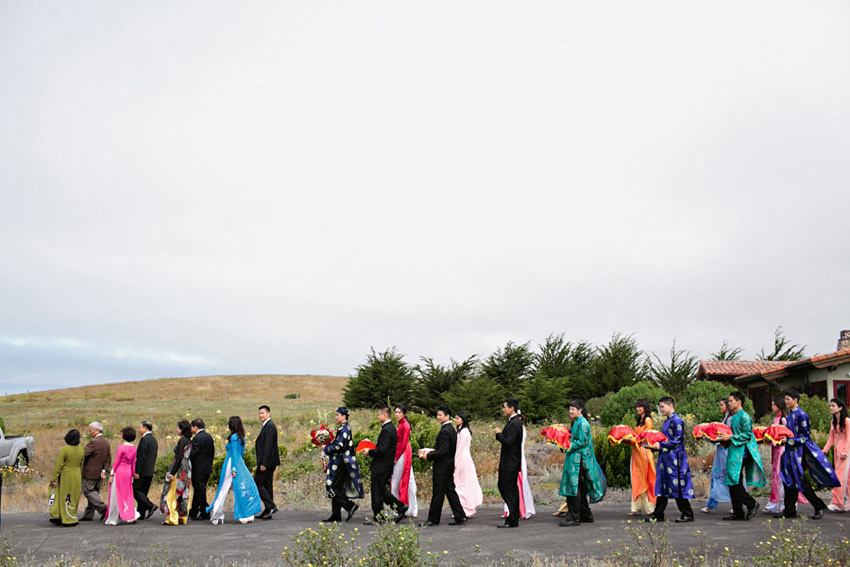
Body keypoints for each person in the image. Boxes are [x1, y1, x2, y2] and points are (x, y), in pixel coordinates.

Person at [778, 390, 840, 519]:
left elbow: (805, 437)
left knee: (799, 480)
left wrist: (789, 441)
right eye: (785, 399)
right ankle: (789, 510)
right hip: (790, 451)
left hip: (799, 452)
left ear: (795, 400)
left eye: (788, 399)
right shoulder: (790, 415)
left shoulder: (802, 415)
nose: (786, 401)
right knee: (788, 479)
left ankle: (819, 506)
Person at [717, 391, 765, 520]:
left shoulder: (745, 417)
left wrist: (730, 437)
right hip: (733, 450)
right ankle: (738, 512)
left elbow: (748, 435)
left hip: (741, 453)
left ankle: (752, 503)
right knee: (732, 481)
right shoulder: (733, 417)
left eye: (731, 400)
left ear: (739, 402)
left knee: (735, 481)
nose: (729, 403)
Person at [646, 397, 694, 523]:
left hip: (675, 459)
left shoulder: (676, 421)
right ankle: (658, 513)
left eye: (662, 407)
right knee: (663, 485)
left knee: (677, 485)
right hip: (666, 458)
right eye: (660, 407)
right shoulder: (667, 421)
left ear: (670, 406)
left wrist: (661, 446)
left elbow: (677, 440)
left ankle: (688, 513)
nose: (660, 409)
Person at [559, 399, 606, 527]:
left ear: (580, 410)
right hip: (576, 459)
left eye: (573, 409)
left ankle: (574, 517)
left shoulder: (583, 424)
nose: (570, 411)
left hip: (578, 461)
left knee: (574, 489)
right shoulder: (577, 423)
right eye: (569, 409)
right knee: (579, 489)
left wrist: (567, 445)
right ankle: (585, 515)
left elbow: (581, 442)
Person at [208, 416, 263, 525]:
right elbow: (240, 454)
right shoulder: (242, 437)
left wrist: (234, 469)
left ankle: (217, 515)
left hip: (230, 464)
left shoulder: (233, 438)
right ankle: (247, 513)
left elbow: (233, 454)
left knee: (223, 489)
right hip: (240, 464)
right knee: (240, 488)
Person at [360, 406, 408, 524]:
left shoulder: (387, 429)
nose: (378, 417)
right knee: (381, 490)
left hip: (381, 466)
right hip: (385, 465)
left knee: (376, 491)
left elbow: (382, 450)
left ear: (385, 415)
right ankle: (399, 506)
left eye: (379, 415)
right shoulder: (390, 428)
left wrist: (369, 452)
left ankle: (379, 517)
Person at [420, 406, 467, 527]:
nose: (438, 417)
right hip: (448, 465)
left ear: (447, 416)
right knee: (450, 491)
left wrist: (428, 456)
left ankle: (433, 519)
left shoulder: (446, 431)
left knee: (438, 493)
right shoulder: (450, 429)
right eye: (437, 415)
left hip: (442, 466)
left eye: (441, 415)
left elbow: (443, 451)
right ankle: (460, 516)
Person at [322, 407, 364, 522]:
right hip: (341, 461)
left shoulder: (345, 429)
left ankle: (349, 506)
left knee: (333, 487)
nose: (336, 417)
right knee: (337, 487)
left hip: (342, 462)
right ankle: (336, 514)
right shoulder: (342, 428)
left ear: (344, 416)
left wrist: (327, 447)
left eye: (337, 415)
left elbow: (340, 446)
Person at [494, 397, 522, 528]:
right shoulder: (513, 421)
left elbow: (508, 441)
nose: (503, 409)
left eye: (505, 407)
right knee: (506, 487)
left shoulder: (515, 423)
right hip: (509, 461)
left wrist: (499, 434)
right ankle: (513, 517)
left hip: (510, 462)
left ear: (512, 408)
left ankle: (513, 518)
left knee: (508, 489)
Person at [503, 409, 535, 521]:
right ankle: (511, 509)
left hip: (517, 458)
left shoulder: (518, 428)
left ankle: (521, 510)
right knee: (513, 485)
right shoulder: (518, 428)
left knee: (517, 484)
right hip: (517, 457)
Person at [701, 399, 732, 514]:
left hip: (726, 452)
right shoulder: (725, 418)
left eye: (722, 405)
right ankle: (711, 503)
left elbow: (727, 436)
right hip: (721, 451)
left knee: (729, 476)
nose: (720, 407)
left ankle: (739, 504)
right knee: (716, 475)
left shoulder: (730, 420)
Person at [49, 429, 85, 527]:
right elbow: (81, 464)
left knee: (64, 496)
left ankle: (65, 518)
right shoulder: (81, 450)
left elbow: (58, 465)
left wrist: (53, 478)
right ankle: (71, 516)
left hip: (66, 475)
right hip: (77, 474)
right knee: (73, 496)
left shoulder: (64, 450)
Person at [105, 426, 140, 525]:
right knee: (127, 494)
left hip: (120, 472)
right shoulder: (133, 448)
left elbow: (116, 463)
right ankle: (131, 514)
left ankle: (113, 518)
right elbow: (133, 463)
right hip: (128, 472)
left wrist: (111, 475)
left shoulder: (121, 448)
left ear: (124, 436)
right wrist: (133, 475)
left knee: (115, 494)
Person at [160, 420, 193, 526]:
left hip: (179, 470)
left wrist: (172, 472)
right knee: (183, 493)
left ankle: (172, 517)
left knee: (173, 493)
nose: (176, 429)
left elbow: (179, 458)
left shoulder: (182, 441)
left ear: (182, 429)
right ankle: (181, 516)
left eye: (178, 428)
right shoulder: (188, 440)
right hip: (187, 469)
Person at [80, 421, 112, 522]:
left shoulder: (94, 442)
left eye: (91, 430)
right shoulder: (106, 442)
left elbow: (83, 453)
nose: (90, 432)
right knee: (94, 493)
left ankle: (103, 508)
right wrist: (104, 469)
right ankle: (88, 515)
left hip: (90, 472)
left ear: (96, 430)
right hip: (100, 472)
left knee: (87, 490)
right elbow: (109, 457)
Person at [629, 398, 656, 516]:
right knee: (635, 478)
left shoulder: (648, 420)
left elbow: (648, 436)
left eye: (640, 406)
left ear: (645, 407)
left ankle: (650, 508)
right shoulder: (638, 420)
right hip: (636, 451)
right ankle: (636, 507)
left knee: (643, 478)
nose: (638, 409)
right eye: (637, 406)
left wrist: (634, 439)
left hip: (644, 452)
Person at [453, 411, 482, 518]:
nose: (455, 420)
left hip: (462, 459)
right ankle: (463, 508)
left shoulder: (464, 432)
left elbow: (460, 449)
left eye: (457, 418)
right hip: (463, 458)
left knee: (462, 484)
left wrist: (455, 462)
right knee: (461, 484)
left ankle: (465, 509)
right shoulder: (461, 431)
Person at [390, 405, 418, 518]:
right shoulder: (402, 424)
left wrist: (395, 457)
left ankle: (395, 508)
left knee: (396, 480)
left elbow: (402, 443)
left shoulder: (405, 425)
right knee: (409, 480)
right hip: (404, 452)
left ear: (404, 413)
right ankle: (411, 508)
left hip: (403, 453)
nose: (396, 414)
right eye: (395, 412)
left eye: (399, 412)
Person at [823, 397, 850, 512]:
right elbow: (831, 437)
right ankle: (847, 502)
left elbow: (849, 437)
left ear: (840, 408)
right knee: (847, 478)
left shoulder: (847, 421)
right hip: (837, 452)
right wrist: (824, 450)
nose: (831, 408)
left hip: (846, 452)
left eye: (833, 406)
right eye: (830, 405)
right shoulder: (833, 422)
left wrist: (845, 451)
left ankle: (837, 502)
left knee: (839, 477)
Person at [254, 405, 280, 520]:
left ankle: (271, 506)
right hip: (270, 462)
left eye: (262, 413)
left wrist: (263, 463)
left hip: (267, 462)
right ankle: (268, 510)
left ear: (268, 414)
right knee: (267, 485)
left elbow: (268, 447)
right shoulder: (267, 426)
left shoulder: (269, 427)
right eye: (259, 413)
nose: (260, 415)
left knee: (258, 482)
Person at [764, 396, 788, 515]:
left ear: (779, 406)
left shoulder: (783, 419)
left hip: (781, 450)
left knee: (780, 477)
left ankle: (783, 504)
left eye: (774, 405)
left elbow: (786, 435)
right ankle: (774, 503)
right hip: (776, 450)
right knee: (775, 477)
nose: (772, 407)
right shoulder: (776, 419)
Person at [189, 418, 214, 521]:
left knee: (200, 490)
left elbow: (194, 454)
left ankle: (205, 511)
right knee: (199, 489)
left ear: (195, 427)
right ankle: (194, 510)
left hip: (198, 468)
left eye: (192, 427)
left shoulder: (197, 438)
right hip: (207, 468)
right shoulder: (209, 437)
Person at [134, 421, 158, 521]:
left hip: (143, 471)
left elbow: (141, 457)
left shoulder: (144, 440)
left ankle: (150, 505)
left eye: (140, 428)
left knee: (135, 490)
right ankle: (141, 513)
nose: (139, 430)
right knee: (143, 492)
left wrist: (137, 471)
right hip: (150, 470)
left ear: (145, 428)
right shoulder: (153, 439)